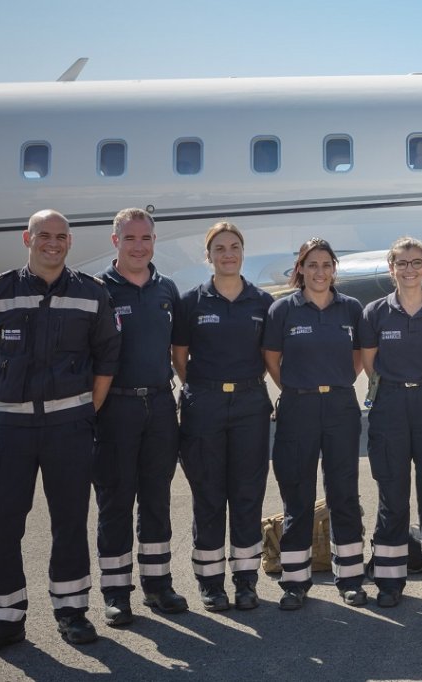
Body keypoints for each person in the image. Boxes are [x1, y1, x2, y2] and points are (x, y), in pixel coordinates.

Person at [0, 210, 120, 660]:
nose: (52, 243)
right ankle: (3, 622)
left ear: (69, 242)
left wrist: (83, 411)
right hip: (12, 429)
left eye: (60, 237)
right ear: (27, 239)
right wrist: (12, 392)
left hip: (69, 428)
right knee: (2, 523)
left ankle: (71, 612)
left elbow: (106, 358)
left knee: (69, 522)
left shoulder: (92, 294)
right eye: (43, 236)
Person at [171, 222, 274, 612]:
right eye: (219, 248)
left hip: (249, 404)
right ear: (208, 256)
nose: (227, 254)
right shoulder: (191, 302)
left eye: (234, 246)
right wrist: (206, 388)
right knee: (209, 496)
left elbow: (268, 358)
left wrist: (241, 386)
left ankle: (246, 581)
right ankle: (211, 582)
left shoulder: (262, 302)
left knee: (247, 495)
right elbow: (179, 358)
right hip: (204, 405)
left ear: (242, 253)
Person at [93, 208, 187, 627]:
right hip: (115, 407)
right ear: (115, 241)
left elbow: (178, 350)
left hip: (160, 406)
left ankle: (158, 584)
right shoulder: (97, 290)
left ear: (154, 240)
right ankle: (116, 593)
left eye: (146, 238)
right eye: (130, 238)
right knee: (115, 500)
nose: (139, 245)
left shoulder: (166, 289)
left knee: (157, 497)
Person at [263, 238, 367, 610]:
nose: (320, 271)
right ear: (301, 269)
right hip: (298, 407)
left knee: (344, 493)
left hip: (340, 405)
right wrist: (299, 387)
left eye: (326, 264)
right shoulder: (282, 310)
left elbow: (357, 357)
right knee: (298, 495)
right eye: (312, 265)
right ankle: (295, 581)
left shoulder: (350, 309)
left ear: (334, 269)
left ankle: (350, 577)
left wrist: (333, 383)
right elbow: (272, 359)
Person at [358, 237, 422, 607]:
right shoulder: (375, 312)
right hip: (390, 405)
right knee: (393, 497)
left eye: (417, 263)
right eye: (402, 264)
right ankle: (389, 580)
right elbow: (370, 363)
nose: (410, 269)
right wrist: (396, 389)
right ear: (391, 270)